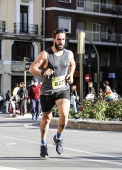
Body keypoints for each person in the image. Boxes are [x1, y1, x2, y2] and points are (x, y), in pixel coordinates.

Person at [29, 28, 76, 158]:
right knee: (47, 118)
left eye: (63, 39)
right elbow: (32, 68)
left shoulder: (69, 54)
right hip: (48, 91)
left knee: (65, 115)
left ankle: (58, 138)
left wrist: (71, 75)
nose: (61, 42)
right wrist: (42, 72)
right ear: (54, 39)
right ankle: (43, 144)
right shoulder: (46, 54)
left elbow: (72, 64)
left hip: (63, 89)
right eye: (59, 39)